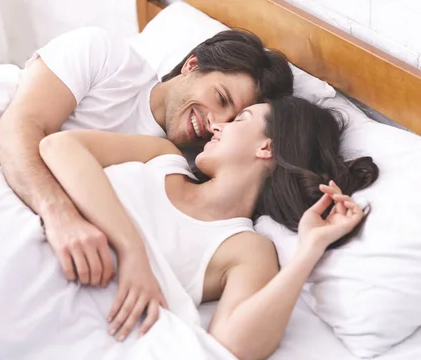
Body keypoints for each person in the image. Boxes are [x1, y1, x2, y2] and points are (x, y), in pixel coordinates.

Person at [37, 95, 379, 358]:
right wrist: (132, 251)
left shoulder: (245, 248)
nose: (217, 126)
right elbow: (59, 145)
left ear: (266, 147)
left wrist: (309, 250)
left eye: (239, 119)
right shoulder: (160, 155)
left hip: (55, 292)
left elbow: (232, 346)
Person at [0, 27, 294, 293]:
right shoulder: (107, 59)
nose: (216, 123)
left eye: (233, 119)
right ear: (192, 65)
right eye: (221, 98)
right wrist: (61, 218)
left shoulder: (188, 167)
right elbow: (14, 132)